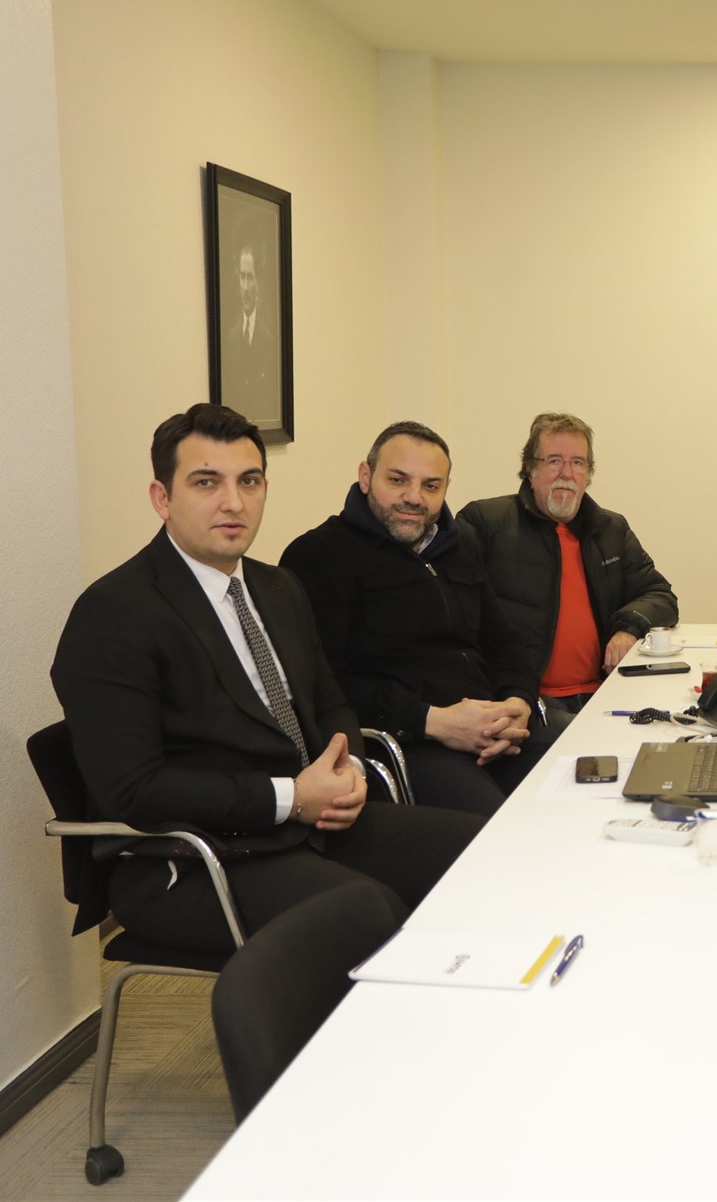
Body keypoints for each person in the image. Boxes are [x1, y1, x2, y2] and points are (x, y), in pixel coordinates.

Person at [50, 404, 483, 953]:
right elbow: (135, 790)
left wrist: (346, 768)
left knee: (482, 850)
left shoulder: (278, 587)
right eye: (206, 482)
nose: (233, 502)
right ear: (162, 498)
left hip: (307, 826)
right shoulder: (115, 613)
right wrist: (291, 796)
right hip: (194, 857)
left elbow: (329, 703)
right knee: (371, 917)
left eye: (249, 481)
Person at [280, 421, 545, 815]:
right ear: (366, 477)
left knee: (583, 786)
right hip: (410, 742)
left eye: (430, 486)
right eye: (398, 480)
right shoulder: (318, 556)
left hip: (494, 728)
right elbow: (323, 684)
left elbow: (503, 639)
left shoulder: (459, 546)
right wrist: (433, 721)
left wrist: (517, 702)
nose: (414, 497)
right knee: (495, 829)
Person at [458, 413, 677, 724]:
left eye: (578, 462)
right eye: (554, 461)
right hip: (527, 701)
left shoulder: (610, 529)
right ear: (530, 470)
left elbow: (660, 595)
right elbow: (453, 611)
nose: (567, 473)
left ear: (588, 474)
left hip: (605, 693)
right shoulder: (485, 522)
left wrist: (628, 629)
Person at [220, 241, 279, 424]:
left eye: (250, 277)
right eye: (242, 277)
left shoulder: (269, 340)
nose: (245, 287)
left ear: (258, 281)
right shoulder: (231, 338)